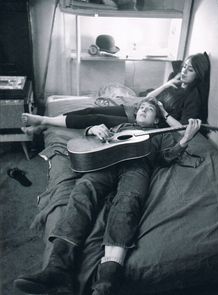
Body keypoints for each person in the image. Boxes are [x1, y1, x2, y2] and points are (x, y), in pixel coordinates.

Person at [14, 98, 201, 295]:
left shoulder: (160, 134)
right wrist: (92, 130)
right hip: (106, 162)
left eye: (150, 109)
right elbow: (90, 140)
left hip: (137, 167)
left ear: (156, 120)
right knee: (82, 190)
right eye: (141, 108)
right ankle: (58, 269)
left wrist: (184, 141)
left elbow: (165, 157)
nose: (143, 110)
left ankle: (107, 282)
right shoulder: (122, 125)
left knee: (128, 202)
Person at [21, 52, 210, 135]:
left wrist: (163, 111)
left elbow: (183, 128)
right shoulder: (175, 83)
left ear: (199, 74)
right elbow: (147, 98)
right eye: (184, 67)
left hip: (147, 120)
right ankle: (43, 125)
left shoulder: (193, 98)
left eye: (190, 70)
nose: (184, 71)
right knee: (89, 109)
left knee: (95, 118)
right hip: (136, 108)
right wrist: (167, 83)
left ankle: (43, 121)